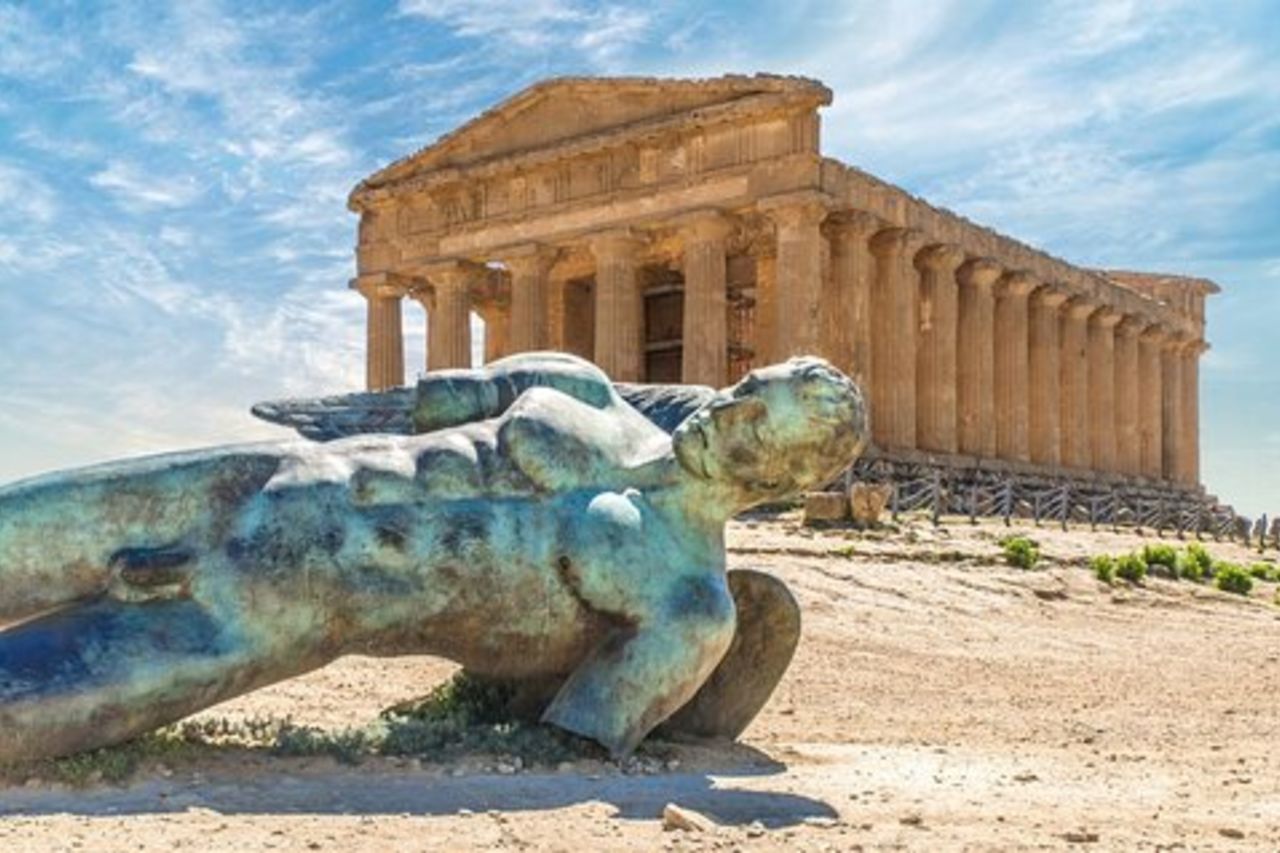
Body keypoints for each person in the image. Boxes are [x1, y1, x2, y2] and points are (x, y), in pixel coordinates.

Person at [0, 353, 867, 763]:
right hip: (257, 480)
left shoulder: (689, 603)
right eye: (749, 388)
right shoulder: (590, 392)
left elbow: (565, 737)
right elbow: (413, 404)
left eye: (759, 424)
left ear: (788, 476)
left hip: (289, 609)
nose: (730, 410)